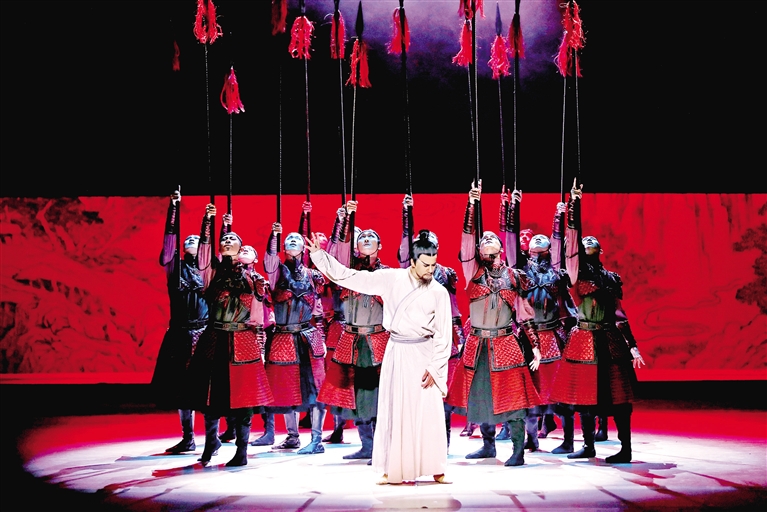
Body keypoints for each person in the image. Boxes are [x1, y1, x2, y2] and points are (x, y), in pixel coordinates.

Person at [308, 229, 453, 485]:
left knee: (428, 411)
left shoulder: (438, 291)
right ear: (413, 261)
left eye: (433, 264)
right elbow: (349, 276)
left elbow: (444, 334)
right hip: (397, 350)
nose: (430, 270)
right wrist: (321, 257)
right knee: (393, 408)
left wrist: (435, 367)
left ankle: (436, 467)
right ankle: (391, 468)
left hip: (424, 352)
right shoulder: (391, 278)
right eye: (425, 264)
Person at [445, 182, 542, 467]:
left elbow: (524, 314)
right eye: (482, 238)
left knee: (513, 399)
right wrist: (471, 205)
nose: (487, 238)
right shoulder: (473, 272)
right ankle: (488, 446)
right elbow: (466, 242)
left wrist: (535, 347)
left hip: (506, 343)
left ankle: (518, 450)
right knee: (480, 396)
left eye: (492, 238)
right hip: (477, 344)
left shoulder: (514, 276)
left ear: (500, 247)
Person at [549, 179, 646, 463]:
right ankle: (588, 445)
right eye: (584, 245)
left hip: (611, 341)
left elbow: (620, 315)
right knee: (585, 396)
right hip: (584, 340)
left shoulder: (612, 278)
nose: (588, 245)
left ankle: (625, 448)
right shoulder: (575, 274)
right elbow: (570, 246)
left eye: (592, 245)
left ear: (600, 251)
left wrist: (633, 347)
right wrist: (574, 205)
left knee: (619, 397)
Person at [186, 204, 274, 467]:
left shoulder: (252, 277)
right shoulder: (211, 272)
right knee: (210, 396)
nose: (227, 241)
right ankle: (210, 444)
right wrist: (208, 222)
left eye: (232, 239)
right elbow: (204, 254)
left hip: (242, 340)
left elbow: (258, 308)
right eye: (224, 239)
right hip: (215, 339)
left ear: (241, 247)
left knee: (244, 399)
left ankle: (241, 451)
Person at [316, 200, 390, 461]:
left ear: (380, 246)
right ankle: (366, 445)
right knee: (356, 395)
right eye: (362, 237)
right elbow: (338, 253)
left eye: (372, 237)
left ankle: (382, 447)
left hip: (378, 339)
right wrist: (344, 220)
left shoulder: (388, 274)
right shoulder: (348, 273)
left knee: (379, 394)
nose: (366, 238)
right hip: (352, 339)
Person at [506, 189, 576, 454]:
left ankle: (568, 440)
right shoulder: (521, 272)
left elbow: (558, 245)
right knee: (530, 390)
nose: (536, 255)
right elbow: (511, 244)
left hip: (553, 337)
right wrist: (513, 208)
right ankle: (532, 439)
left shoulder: (556, 272)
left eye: (542, 251)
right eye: (533, 251)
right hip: (529, 336)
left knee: (559, 390)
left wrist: (560, 216)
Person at [397, 194, 465, 450]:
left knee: (439, 390)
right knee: (412, 391)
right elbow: (404, 252)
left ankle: (441, 445)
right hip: (414, 339)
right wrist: (407, 215)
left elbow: (452, 308)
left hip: (441, 337)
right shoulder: (407, 273)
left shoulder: (446, 273)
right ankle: (414, 444)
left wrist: (458, 335)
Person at [151, 190, 208, 454]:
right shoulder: (175, 268)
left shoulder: (208, 269)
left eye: (197, 240)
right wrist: (173, 209)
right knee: (183, 388)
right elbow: (168, 242)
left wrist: (210, 221)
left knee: (209, 385)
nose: (192, 242)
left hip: (205, 332)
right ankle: (188, 437)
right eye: (188, 240)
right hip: (181, 333)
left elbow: (213, 246)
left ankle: (219, 434)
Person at [263, 221, 327, 454]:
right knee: (286, 388)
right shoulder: (277, 272)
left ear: (303, 247)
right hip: (283, 337)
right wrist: (274, 236)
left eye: (297, 239)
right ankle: (292, 436)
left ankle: (317, 439)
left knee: (317, 389)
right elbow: (270, 260)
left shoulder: (313, 275)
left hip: (308, 337)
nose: (292, 240)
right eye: (287, 239)